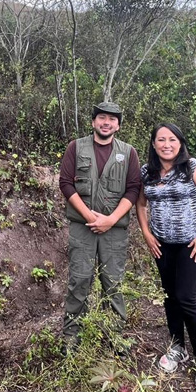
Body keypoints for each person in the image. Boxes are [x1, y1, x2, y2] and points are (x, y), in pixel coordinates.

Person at [135, 123, 196, 392]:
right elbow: (140, 203)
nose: (167, 144)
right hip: (162, 245)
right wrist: (147, 233)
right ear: (154, 144)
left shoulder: (193, 167)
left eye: (172, 139)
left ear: (180, 143)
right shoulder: (146, 172)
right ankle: (177, 347)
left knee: (185, 297)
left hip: (193, 244)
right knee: (170, 295)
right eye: (161, 139)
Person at [58, 101, 141, 353]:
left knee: (112, 282)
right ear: (93, 121)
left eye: (112, 119)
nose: (107, 122)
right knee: (79, 281)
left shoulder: (128, 153)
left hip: (114, 231)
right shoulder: (76, 147)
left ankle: (115, 336)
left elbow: (134, 188)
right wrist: (90, 218)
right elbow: (66, 183)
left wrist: (110, 219)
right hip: (82, 228)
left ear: (118, 125)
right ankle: (71, 336)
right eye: (102, 117)